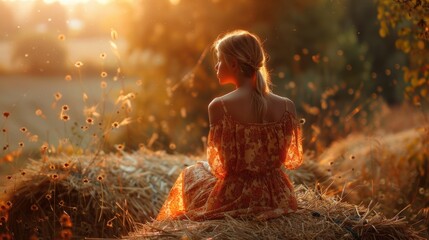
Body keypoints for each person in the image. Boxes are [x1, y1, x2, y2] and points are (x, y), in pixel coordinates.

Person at [156, 30, 303, 221]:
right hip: (278, 196)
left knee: (191, 174)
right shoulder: (287, 106)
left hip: (236, 196)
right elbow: (292, 160)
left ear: (233, 64)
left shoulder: (219, 106)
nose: (216, 66)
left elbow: (220, 168)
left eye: (219, 59)